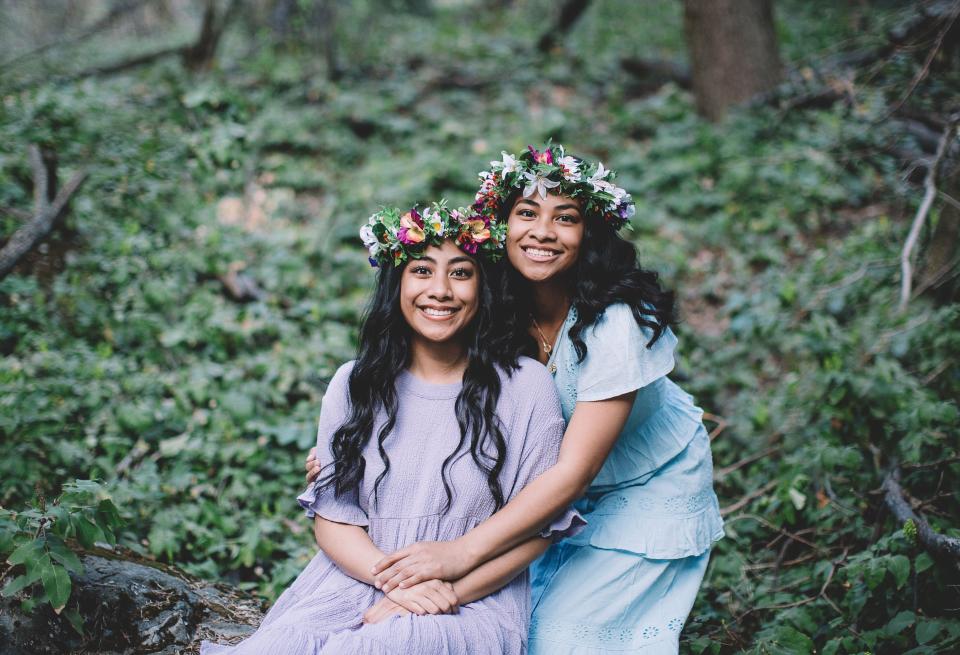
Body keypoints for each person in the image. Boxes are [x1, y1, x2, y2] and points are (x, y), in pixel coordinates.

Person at [307, 143, 724, 653]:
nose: (543, 232)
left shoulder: (616, 323)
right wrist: (352, 452)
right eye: (526, 213)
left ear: (589, 233)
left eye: (564, 218)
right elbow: (443, 401)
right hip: (538, 493)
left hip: (639, 485)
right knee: (504, 626)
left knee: (554, 639)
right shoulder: (495, 305)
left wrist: (458, 557)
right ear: (500, 226)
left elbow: (574, 474)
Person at [203, 202, 582, 655]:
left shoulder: (525, 388)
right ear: (396, 283)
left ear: (483, 289)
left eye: (460, 273)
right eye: (422, 270)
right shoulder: (355, 381)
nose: (440, 290)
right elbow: (333, 517)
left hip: (471, 600)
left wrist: (439, 595)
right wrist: (395, 581)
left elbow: (538, 530)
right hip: (350, 581)